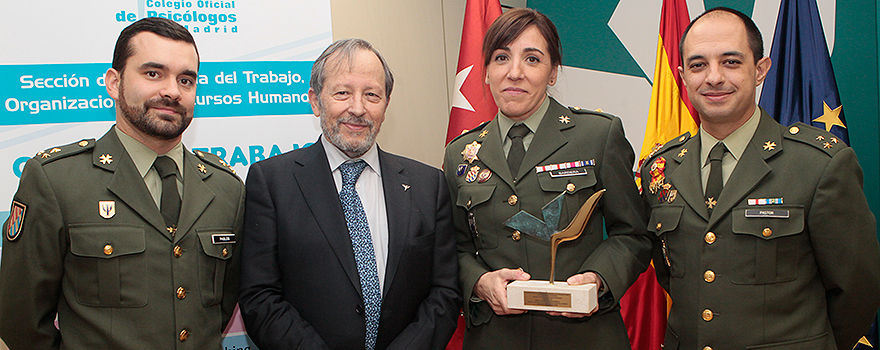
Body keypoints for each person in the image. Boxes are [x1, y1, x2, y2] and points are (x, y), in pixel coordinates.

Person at [640, 7, 880, 350]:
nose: (714, 77)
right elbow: (670, 275)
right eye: (698, 65)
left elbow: (857, 289)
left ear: (760, 70)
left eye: (731, 62)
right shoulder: (660, 169)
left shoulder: (819, 164)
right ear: (681, 75)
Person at [0, 17, 245, 349]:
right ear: (114, 83)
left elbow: (220, 308)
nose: (172, 91)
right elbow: (21, 320)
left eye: (186, 80)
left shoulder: (226, 188)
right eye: (153, 74)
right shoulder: (56, 180)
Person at [443, 8, 651, 349]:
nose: (514, 73)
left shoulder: (597, 136)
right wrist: (480, 282)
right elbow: (455, 247)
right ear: (485, 73)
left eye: (532, 59)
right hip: (496, 338)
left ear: (553, 72)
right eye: (501, 58)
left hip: (583, 336)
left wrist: (598, 278)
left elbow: (633, 233)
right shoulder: (460, 153)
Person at [238, 38, 460, 350]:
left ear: (386, 104)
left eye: (371, 95)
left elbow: (445, 292)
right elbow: (259, 297)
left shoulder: (429, 185)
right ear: (315, 101)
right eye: (342, 93)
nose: (357, 109)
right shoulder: (272, 181)